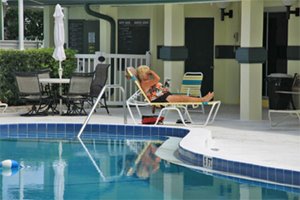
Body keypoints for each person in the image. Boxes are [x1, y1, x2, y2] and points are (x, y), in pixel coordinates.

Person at [137, 65, 214, 103]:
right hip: (161, 99)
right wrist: (152, 72)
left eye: (148, 73)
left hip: (163, 96)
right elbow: (157, 78)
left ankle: (202, 99)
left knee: (184, 97)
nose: (148, 74)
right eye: (147, 73)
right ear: (142, 74)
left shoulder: (147, 82)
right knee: (183, 98)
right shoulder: (145, 83)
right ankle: (203, 99)